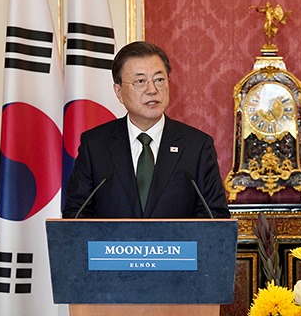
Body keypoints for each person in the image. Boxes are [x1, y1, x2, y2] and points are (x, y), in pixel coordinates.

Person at [63, 41, 230, 218]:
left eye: (159, 80)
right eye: (140, 81)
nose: (152, 90)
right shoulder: (95, 145)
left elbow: (215, 217)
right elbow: (75, 214)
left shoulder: (197, 146)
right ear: (119, 92)